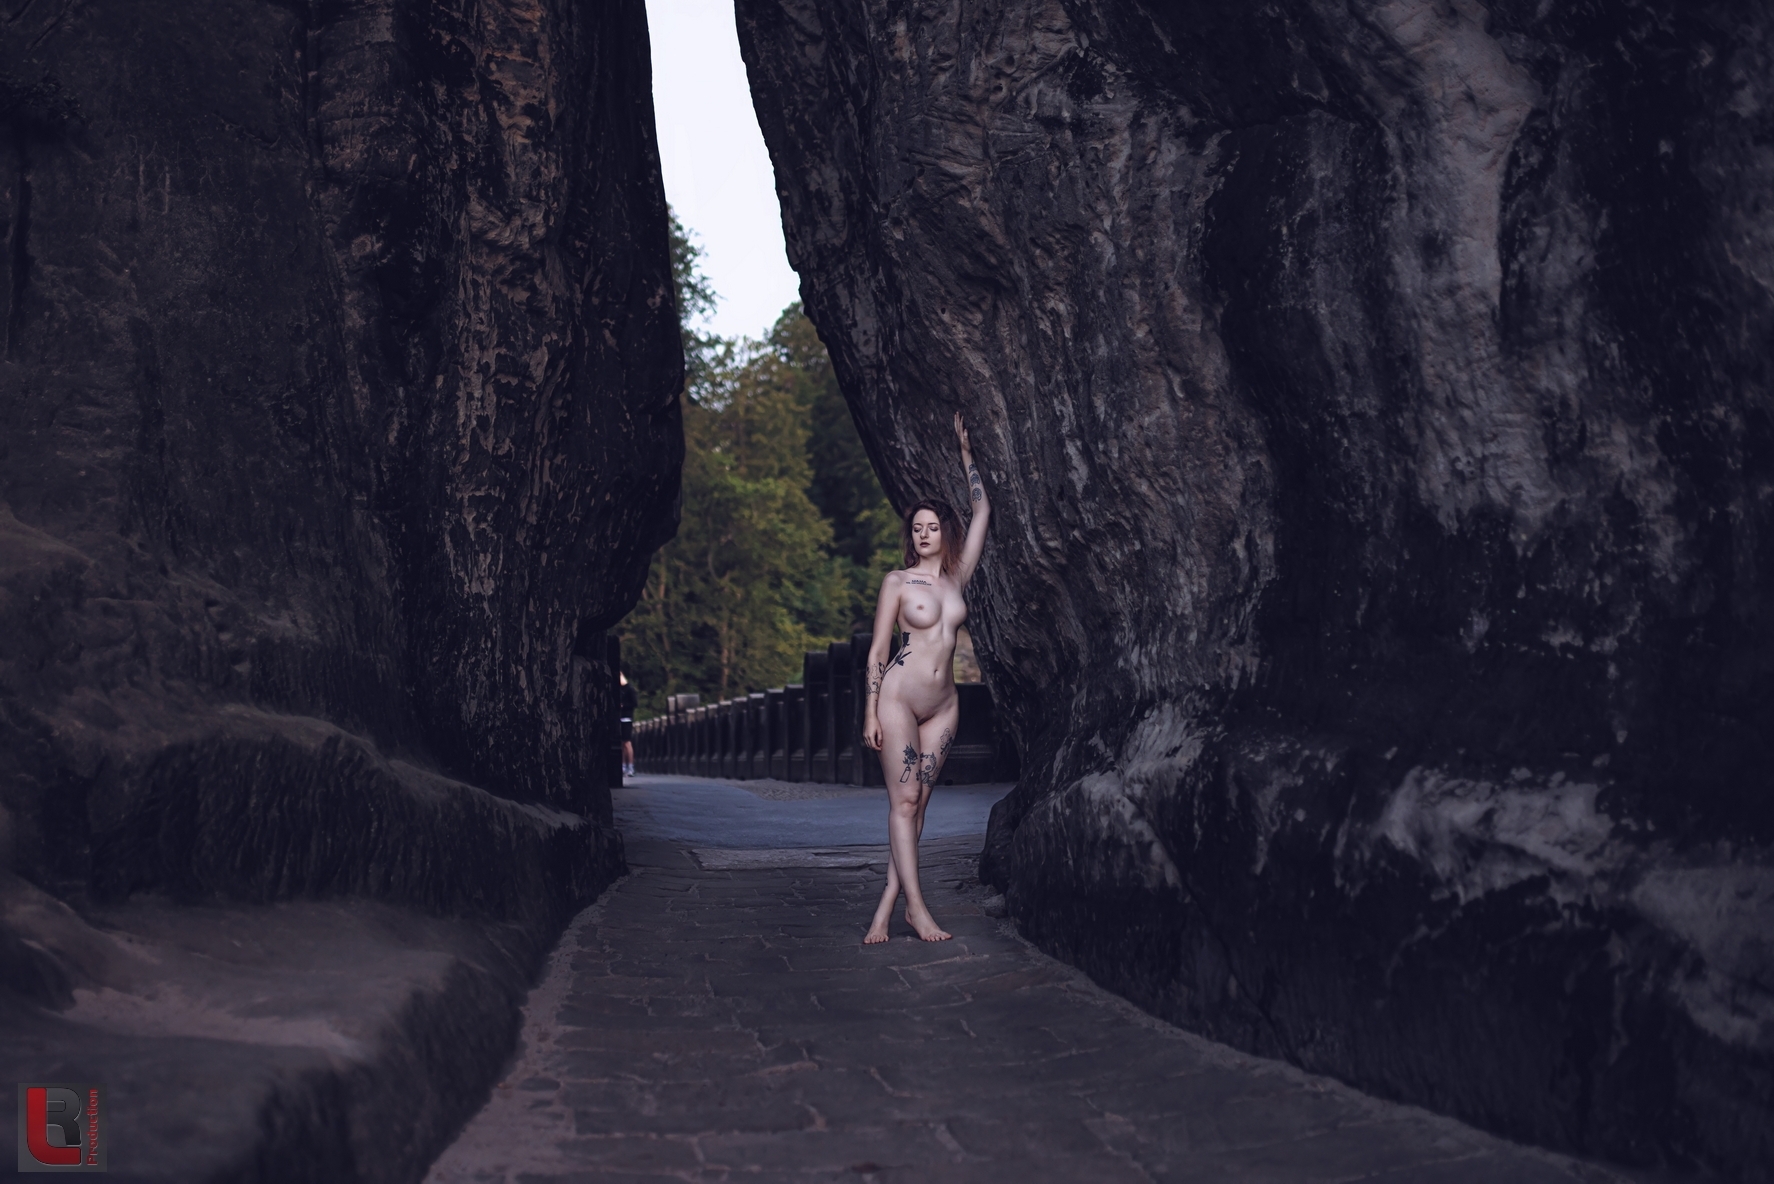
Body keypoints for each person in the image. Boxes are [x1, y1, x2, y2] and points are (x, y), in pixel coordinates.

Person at [862, 414, 990, 943]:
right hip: (898, 698)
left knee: (919, 806)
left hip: (944, 705)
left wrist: (966, 456)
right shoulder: (897, 581)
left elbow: (983, 510)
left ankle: (888, 904)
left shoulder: (958, 577)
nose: (924, 533)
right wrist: (870, 711)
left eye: (933, 527)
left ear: (944, 532)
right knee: (905, 801)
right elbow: (878, 650)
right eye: (917, 527)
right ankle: (917, 908)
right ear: (911, 535)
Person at [619, 672, 637, 778]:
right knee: (621, 743)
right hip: (619, 718)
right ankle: (623, 766)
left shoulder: (629, 689)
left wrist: (623, 705)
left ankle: (630, 767)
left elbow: (634, 703)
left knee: (627, 742)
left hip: (627, 718)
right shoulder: (619, 689)